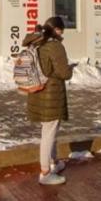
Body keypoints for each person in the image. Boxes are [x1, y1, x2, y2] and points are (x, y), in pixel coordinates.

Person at [22, 16, 74, 185]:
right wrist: (70, 69)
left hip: (37, 90)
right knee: (49, 132)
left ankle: (53, 163)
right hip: (51, 93)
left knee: (49, 129)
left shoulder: (35, 42)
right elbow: (64, 73)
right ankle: (45, 173)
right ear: (57, 30)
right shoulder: (55, 46)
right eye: (62, 30)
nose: (62, 33)